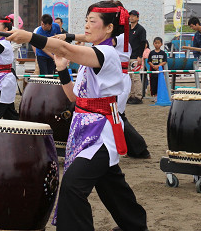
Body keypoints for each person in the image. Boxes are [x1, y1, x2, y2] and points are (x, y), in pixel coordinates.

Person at [8, 0, 149, 231]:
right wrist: (62, 70)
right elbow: (75, 98)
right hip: (85, 127)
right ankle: (135, 225)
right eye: (86, 19)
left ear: (108, 28)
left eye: (92, 21)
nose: (86, 24)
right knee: (110, 182)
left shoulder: (105, 55)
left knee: (73, 185)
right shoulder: (91, 56)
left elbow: (63, 47)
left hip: (100, 133)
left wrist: (30, 37)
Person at [54, 31, 150, 159]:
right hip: (105, 76)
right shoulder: (105, 44)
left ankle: (136, 148)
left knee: (116, 115)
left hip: (115, 78)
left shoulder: (118, 37)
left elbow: (95, 36)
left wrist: (68, 37)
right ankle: (130, 149)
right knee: (113, 115)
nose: (88, 26)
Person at [127, 10, 146, 104]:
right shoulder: (127, 28)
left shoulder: (141, 29)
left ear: (137, 18)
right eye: (130, 16)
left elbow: (143, 43)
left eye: (133, 16)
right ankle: (132, 95)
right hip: (128, 56)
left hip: (136, 57)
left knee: (136, 77)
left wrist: (140, 56)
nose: (131, 17)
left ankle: (138, 96)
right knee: (129, 77)